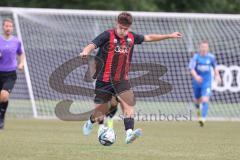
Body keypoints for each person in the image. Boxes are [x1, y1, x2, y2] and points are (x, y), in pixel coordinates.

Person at [80, 12, 182, 144]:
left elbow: (149, 37)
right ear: (117, 24)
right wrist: (85, 51)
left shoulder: (132, 37)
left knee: (128, 103)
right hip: (103, 79)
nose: (123, 31)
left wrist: (169, 36)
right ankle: (90, 121)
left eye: (126, 29)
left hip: (121, 79)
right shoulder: (107, 35)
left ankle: (129, 133)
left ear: (130, 27)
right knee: (101, 110)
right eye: (121, 27)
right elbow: (92, 45)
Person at [0, 18, 25, 129]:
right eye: (6, 26)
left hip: (10, 74)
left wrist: (21, 63)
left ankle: (1, 118)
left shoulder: (16, 41)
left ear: (12, 28)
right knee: (3, 98)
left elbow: (21, 54)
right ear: (3, 27)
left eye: (10, 26)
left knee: (4, 95)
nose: (8, 28)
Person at [189, 40, 221, 127]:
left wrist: (217, 76)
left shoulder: (211, 57)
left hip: (207, 82)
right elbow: (191, 69)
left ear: (208, 48)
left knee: (205, 99)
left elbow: (215, 68)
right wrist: (196, 77)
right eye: (202, 47)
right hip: (197, 83)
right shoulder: (195, 57)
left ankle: (202, 119)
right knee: (197, 101)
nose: (204, 48)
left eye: (206, 47)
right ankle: (198, 112)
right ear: (199, 47)